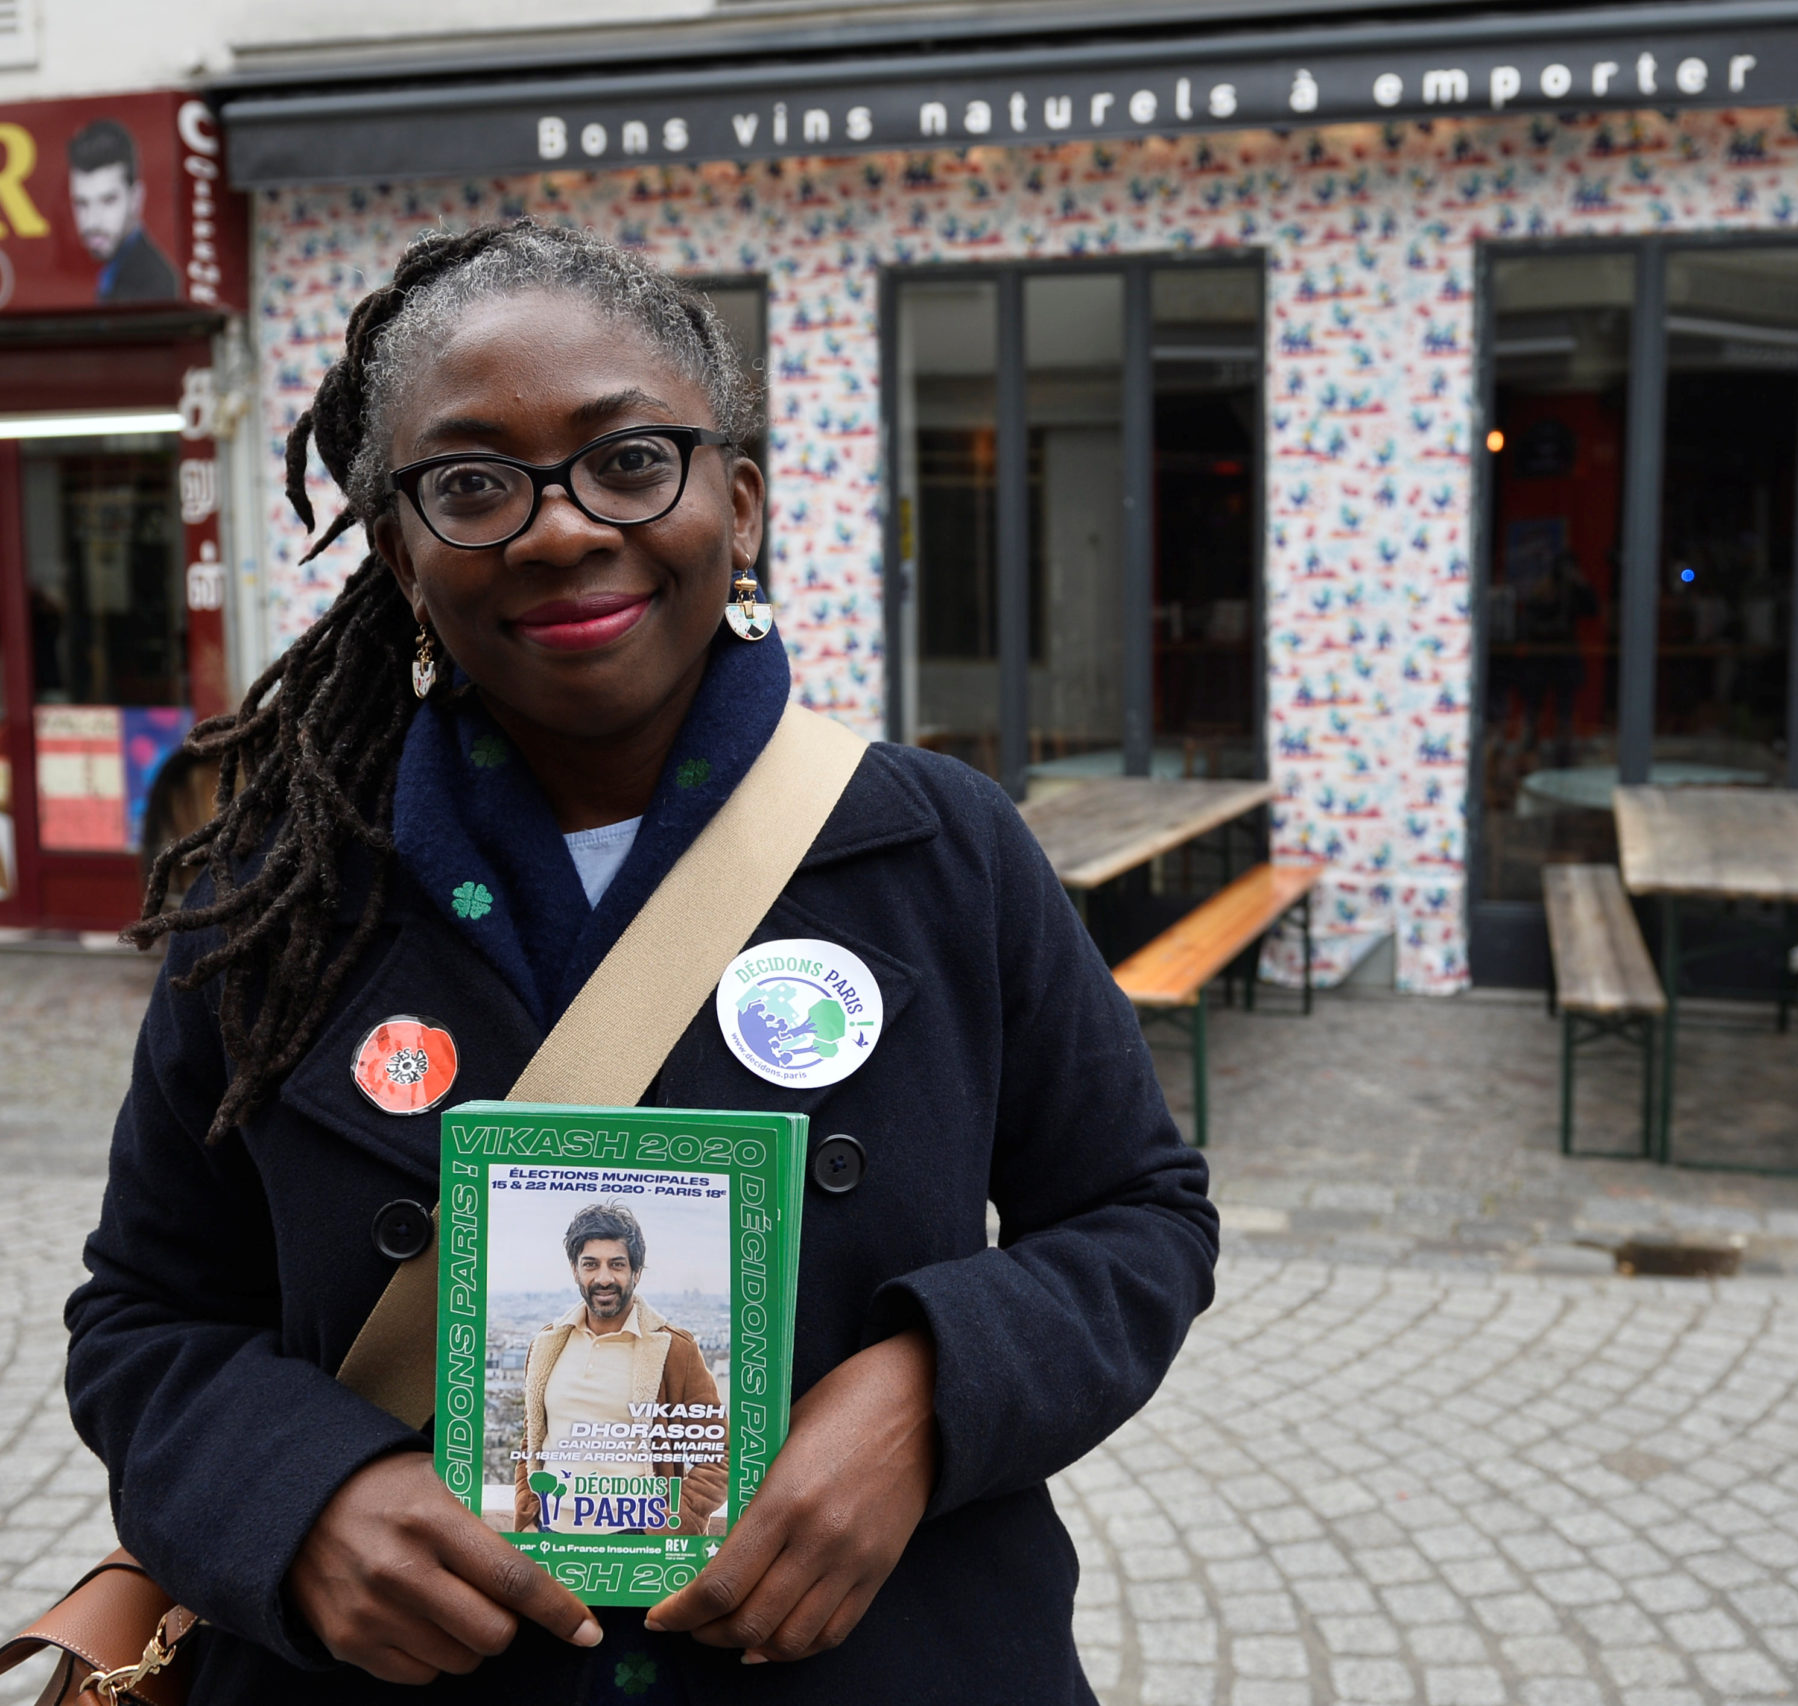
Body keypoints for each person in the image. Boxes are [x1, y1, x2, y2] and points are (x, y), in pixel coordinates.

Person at [66, 219, 1216, 1701]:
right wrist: (301, 1500)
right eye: (472, 485)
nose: (558, 528)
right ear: (403, 551)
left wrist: (929, 1394)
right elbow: (146, 1314)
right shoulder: (275, 902)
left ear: (738, 505)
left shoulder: (943, 849)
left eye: (628, 460)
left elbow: (1140, 1215)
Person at [513, 1203, 725, 1538]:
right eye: (590, 1264)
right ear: (574, 1270)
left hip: (634, 1536)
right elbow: (532, 1441)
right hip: (549, 1533)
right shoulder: (547, 1344)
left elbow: (721, 1450)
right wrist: (528, 1515)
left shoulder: (673, 1349)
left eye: (617, 1265)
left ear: (636, 1272)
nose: (604, 1278)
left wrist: (673, 1520)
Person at [68, 119, 178, 303]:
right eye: (82, 203)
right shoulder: (112, 268)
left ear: (136, 198)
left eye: (108, 201)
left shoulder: (154, 285)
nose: (93, 222)